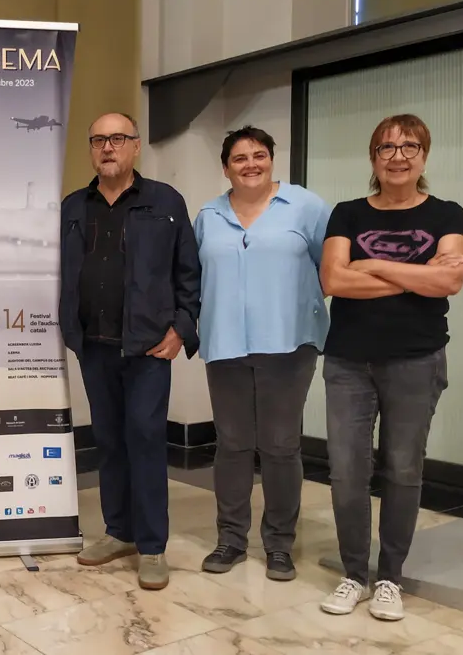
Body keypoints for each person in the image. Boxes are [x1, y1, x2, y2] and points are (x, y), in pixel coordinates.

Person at [319, 114, 463, 621]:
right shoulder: (348, 213)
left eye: (409, 146)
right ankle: (354, 574)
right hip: (347, 361)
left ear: (424, 155)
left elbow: (450, 282)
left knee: (404, 471)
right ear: (373, 158)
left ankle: (390, 578)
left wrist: (375, 265)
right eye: (386, 148)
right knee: (346, 472)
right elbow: (334, 280)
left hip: (416, 360)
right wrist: (419, 275)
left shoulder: (448, 214)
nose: (397, 155)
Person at [60, 112, 200, 590]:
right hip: (95, 346)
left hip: (146, 348)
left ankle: (153, 545)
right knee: (109, 440)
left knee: (144, 440)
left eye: (117, 139)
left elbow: (189, 272)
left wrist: (181, 327)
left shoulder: (165, 202)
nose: (107, 147)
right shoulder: (74, 206)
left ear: (135, 146)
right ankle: (118, 531)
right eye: (98, 140)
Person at [194, 126, 331, 582]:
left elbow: (330, 268)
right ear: (226, 167)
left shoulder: (306, 207)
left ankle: (278, 544)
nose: (250, 164)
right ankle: (230, 539)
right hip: (225, 343)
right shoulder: (208, 215)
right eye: (239, 158)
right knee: (232, 445)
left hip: (288, 344)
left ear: (272, 159)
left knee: (279, 445)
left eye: (259, 155)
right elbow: (195, 277)